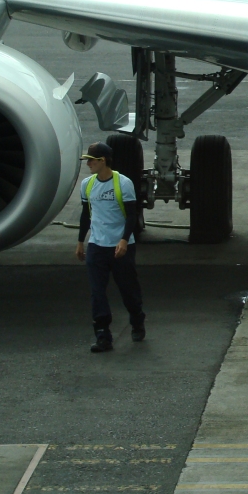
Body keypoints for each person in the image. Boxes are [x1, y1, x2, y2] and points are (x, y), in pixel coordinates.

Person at [75, 142, 145, 353]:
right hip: (97, 246)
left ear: (102, 160)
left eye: (91, 160)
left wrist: (124, 239)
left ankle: (137, 320)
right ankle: (103, 334)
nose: (88, 164)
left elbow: (132, 214)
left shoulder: (123, 183)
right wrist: (80, 241)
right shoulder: (87, 184)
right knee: (97, 292)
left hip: (120, 246)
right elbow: (86, 214)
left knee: (128, 290)